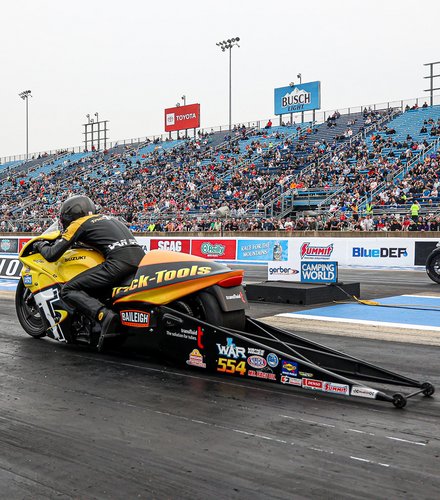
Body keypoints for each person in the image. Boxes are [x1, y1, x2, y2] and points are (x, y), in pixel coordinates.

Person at [33, 195, 145, 348]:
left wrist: (40, 245)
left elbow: (52, 254)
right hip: (141, 261)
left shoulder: (79, 223)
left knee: (68, 290)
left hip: (118, 263)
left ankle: (105, 316)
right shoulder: (110, 219)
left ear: (69, 215)